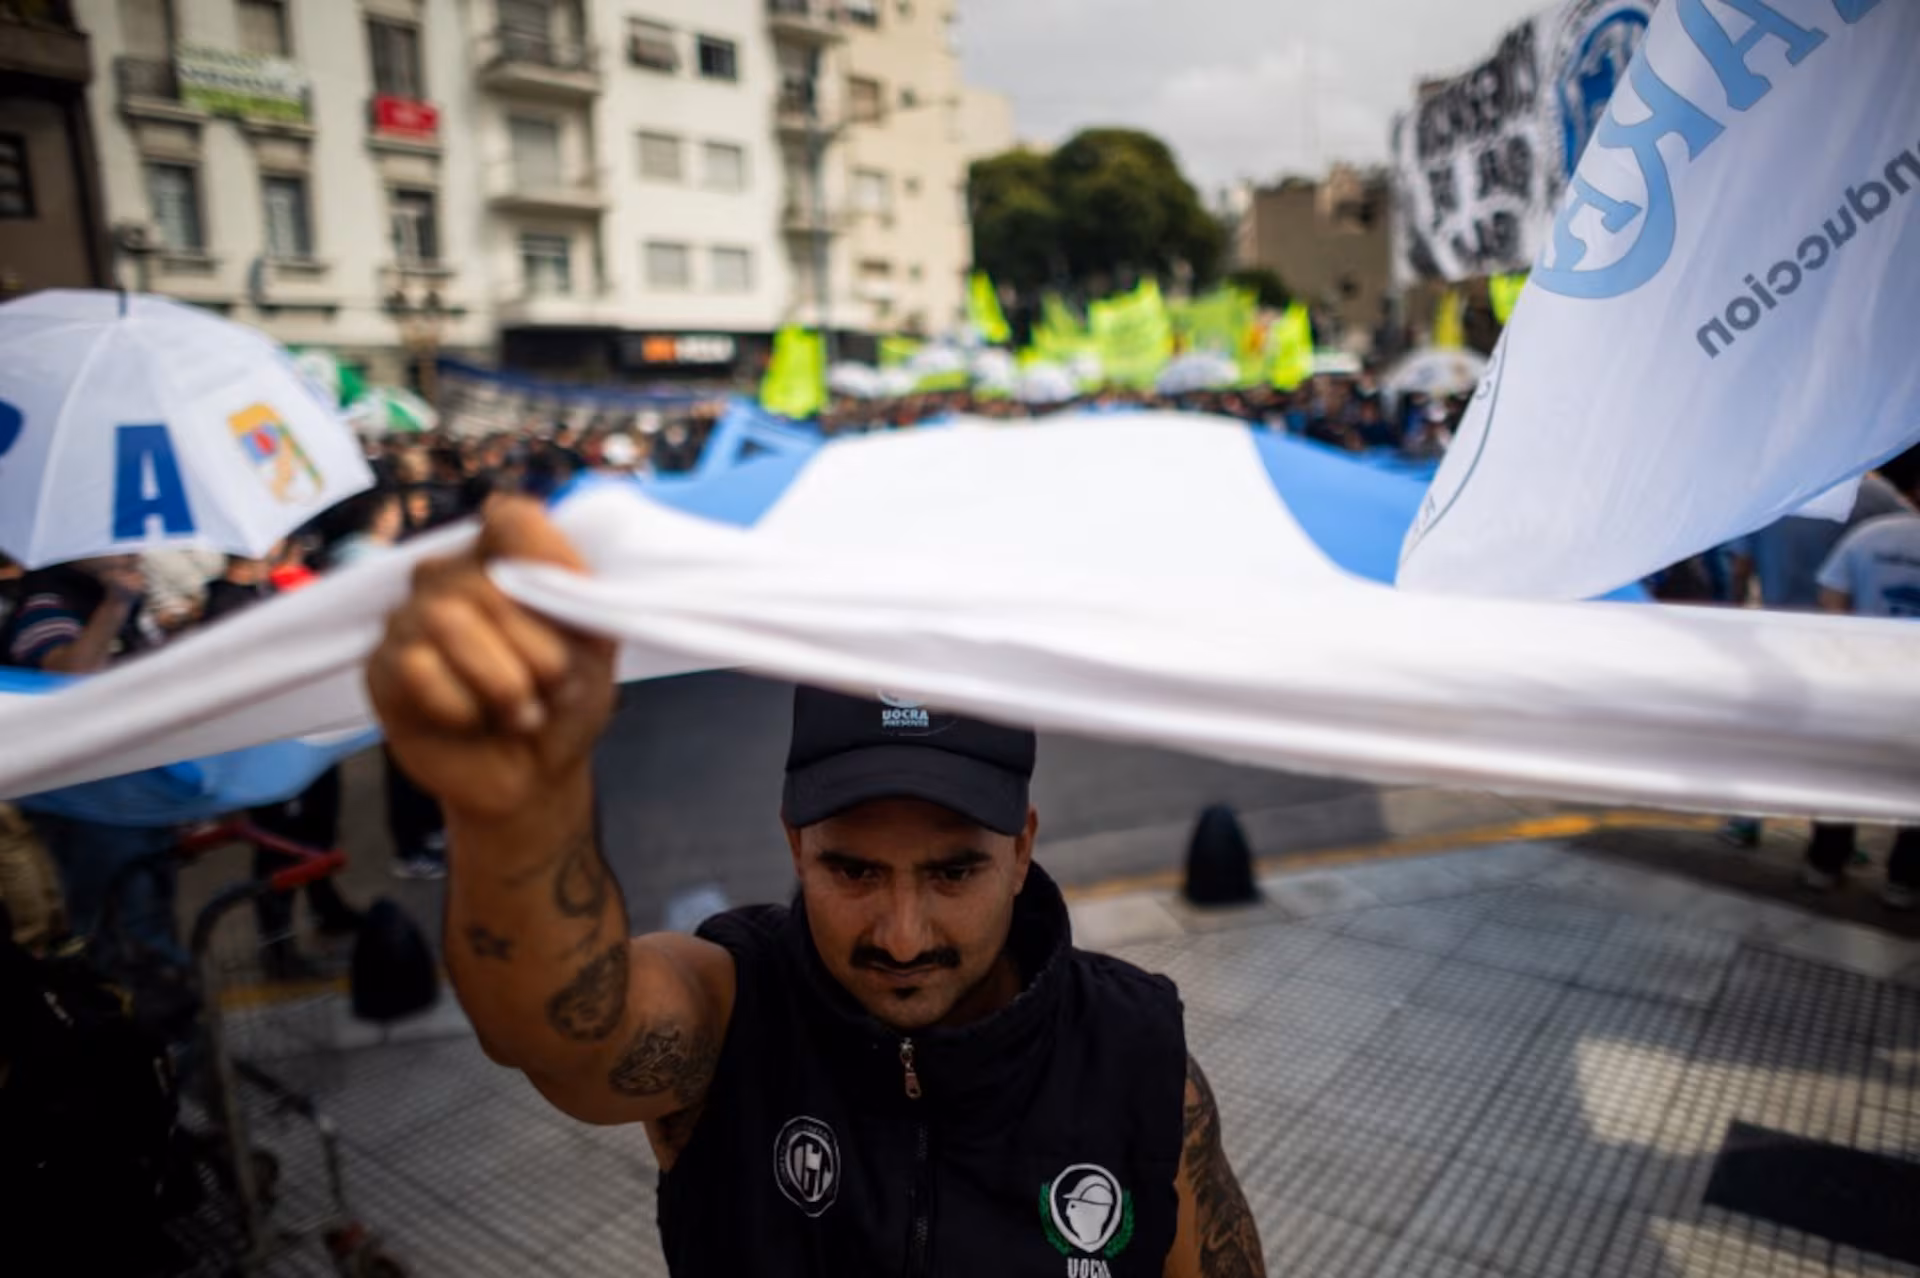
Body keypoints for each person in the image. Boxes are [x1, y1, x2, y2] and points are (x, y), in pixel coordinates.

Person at [365, 498, 1265, 1277]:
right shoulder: (730, 1017)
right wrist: (519, 814)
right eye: (853, 869)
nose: (903, 936)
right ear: (796, 845)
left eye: (954, 871)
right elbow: (560, 1031)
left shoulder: (1137, 1060)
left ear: (1022, 849)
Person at [0, 557, 182, 961]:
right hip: (90, 803)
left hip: (138, 789)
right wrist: (114, 607)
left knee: (151, 920)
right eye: (112, 544)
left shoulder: (114, 598)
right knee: (122, 933)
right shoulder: (46, 605)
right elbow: (69, 678)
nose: (128, 551)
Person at [197, 552, 363, 975]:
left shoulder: (265, 589)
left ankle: (327, 907)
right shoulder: (226, 605)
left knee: (318, 830)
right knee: (280, 844)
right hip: (269, 747)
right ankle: (278, 944)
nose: (290, 549)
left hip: (306, 734)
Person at [1799, 474, 1920, 907]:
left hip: (1865, 681)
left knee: (1845, 773)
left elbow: (1831, 602)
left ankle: (1824, 865)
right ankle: (1904, 881)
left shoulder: (1871, 536)